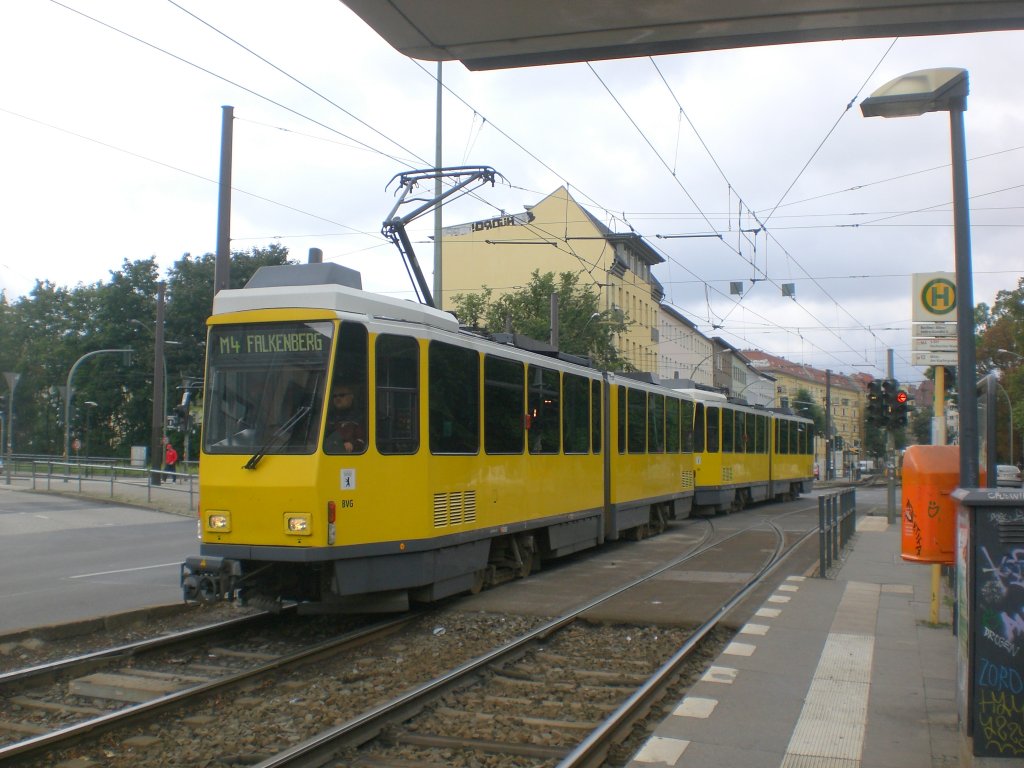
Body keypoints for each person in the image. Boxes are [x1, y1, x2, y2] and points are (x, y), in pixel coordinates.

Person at [324, 384, 366, 454]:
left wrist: (352, 444)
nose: (338, 398)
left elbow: (363, 440)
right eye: (335, 396)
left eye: (342, 395)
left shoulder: (361, 417)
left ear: (351, 396)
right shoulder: (326, 417)